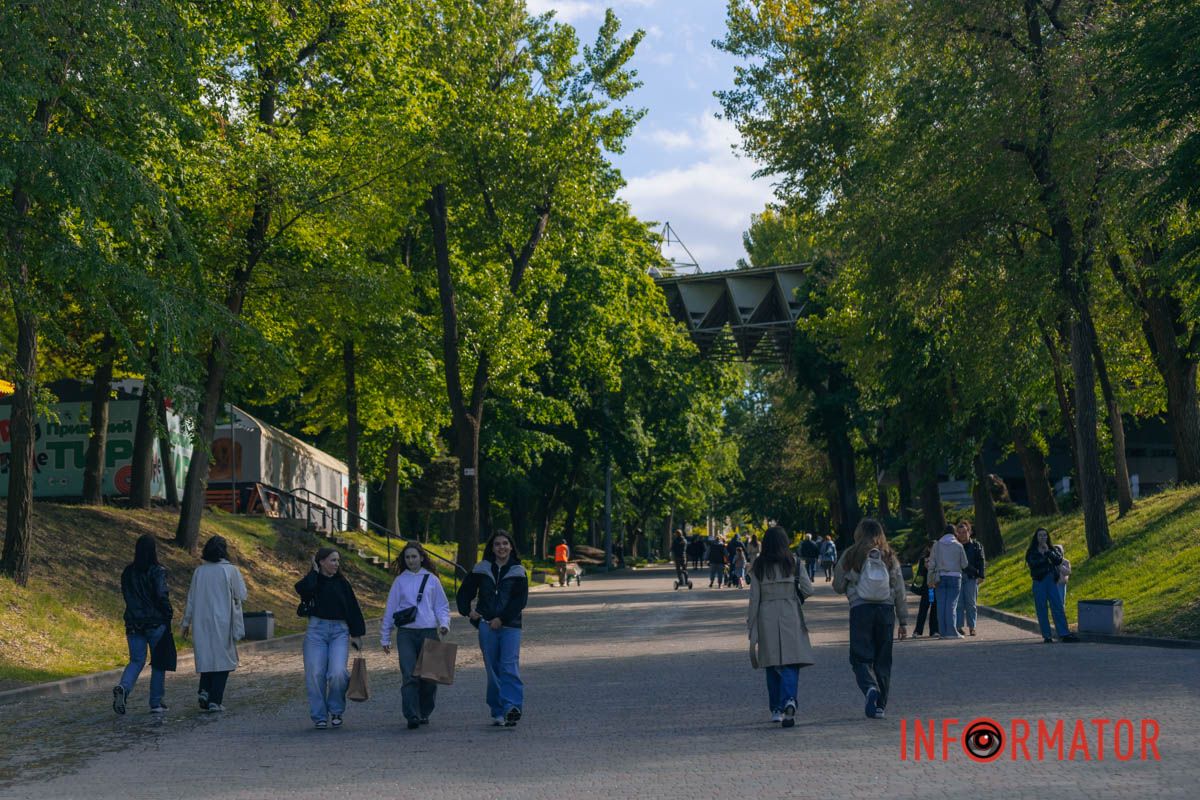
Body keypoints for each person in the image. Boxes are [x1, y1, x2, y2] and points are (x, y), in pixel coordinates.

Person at [832, 518, 908, 719]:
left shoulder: (850, 554)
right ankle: (880, 706)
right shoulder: (889, 555)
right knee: (883, 659)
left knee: (859, 657)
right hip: (886, 610)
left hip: (861, 610)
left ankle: (869, 687)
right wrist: (903, 620)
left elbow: (838, 585)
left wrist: (851, 582)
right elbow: (899, 589)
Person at [456, 530, 529, 726]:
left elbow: (520, 601)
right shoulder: (481, 569)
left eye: (505, 543)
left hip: (511, 626)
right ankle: (498, 709)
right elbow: (464, 592)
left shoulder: (518, 571)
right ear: (492, 548)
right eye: (497, 544)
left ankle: (511, 707)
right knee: (493, 668)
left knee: (509, 665)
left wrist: (502, 619)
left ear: (511, 547)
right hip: (486, 626)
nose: (501, 547)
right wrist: (468, 611)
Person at [747, 525, 815, 728]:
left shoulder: (759, 566)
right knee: (791, 661)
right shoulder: (793, 562)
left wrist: (751, 624)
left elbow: (754, 598)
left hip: (766, 615)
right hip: (790, 613)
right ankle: (789, 699)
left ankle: (776, 709)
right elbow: (808, 589)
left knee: (771, 662)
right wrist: (796, 598)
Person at [381, 542, 451, 729]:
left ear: (421, 557)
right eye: (407, 557)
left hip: (429, 631)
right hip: (406, 633)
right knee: (409, 675)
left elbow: (441, 606)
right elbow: (390, 609)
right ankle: (412, 714)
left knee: (430, 677)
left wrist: (444, 624)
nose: (411, 560)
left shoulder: (432, 580)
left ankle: (424, 712)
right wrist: (385, 637)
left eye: (414, 556)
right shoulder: (399, 581)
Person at [296, 547, 366, 729]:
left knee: (338, 673)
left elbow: (352, 608)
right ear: (321, 562)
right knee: (315, 673)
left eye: (338, 561)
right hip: (316, 632)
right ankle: (319, 715)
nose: (337, 564)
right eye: (333, 560)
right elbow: (302, 589)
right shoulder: (313, 581)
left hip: (339, 632)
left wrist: (356, 634)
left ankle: (336, 710)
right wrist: (314, 572)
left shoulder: (342, 583)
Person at [180, 535, 247, 713]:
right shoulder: (230, 570)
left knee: (207, 656)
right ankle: (215, 700)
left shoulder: (199, 571)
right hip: (223, 621)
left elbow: (191, 599)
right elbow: (242, 594)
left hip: (201, 621)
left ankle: (204, 690)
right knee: (223, 661)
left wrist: (186, 623)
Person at [113, 534, 174, 715]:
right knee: (158, 663)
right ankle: (156, 702)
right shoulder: (157, 571)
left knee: (136, 660)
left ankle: (124, 687)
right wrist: (168, 613)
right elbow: (161, 595)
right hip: (155, 622)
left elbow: (127, 595)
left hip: (133, 622)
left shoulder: (127, 572)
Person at [1025, 528, 1078, 643]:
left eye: (1045, 535)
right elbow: (1034, 564)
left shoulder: (1051, 549)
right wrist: (1046, 557)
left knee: (1057, 606)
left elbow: (1058, 561)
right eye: (1040, 535)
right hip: (1039, 581)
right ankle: (1047, 636)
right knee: (1042, 609)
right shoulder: (1032, 552)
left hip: (1052, 581)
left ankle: (1064, 634)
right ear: (1036, 538)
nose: (1043, 537)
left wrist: (1048, 551)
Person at [928, 524, 967, 640]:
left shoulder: (937, 545)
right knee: (951, 604)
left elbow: (931, 563)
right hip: (955, 577)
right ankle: (952, 631)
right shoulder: (958, 545)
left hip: (940, 577)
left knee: (941, 605)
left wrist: (930, 580)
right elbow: (964, 564)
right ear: (955, 533)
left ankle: (943, 632)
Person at [957, 521, 986, 636]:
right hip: (957, 577)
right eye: (959, 533)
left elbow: (981, 560)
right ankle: (958, 627)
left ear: (969, 532)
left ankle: (972, 627)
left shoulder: (976, 545)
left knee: (971, 603)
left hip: (971, 577)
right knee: (958, 603)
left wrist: (981, 575)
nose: (962, 535)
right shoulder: (955, 546)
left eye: (964, 532)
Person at [910, 542, 938, 638]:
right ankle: (918, 631)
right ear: (929, 549)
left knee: (935, 610)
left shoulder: (940, 559)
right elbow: (919, 574)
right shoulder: (923, 559)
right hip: (927, 589)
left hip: (936, 587)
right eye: (932, 548)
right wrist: (925, 566)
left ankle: (934, 631)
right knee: (923, 609)